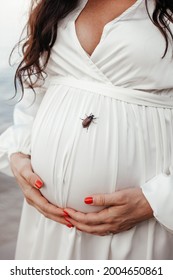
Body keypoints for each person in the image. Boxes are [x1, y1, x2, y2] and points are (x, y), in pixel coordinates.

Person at [0, 0, 173, 260]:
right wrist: (18, 153)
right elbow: (35, 90)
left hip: (144, 223)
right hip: (48, 222)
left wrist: (159, 200)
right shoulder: (54, 6)